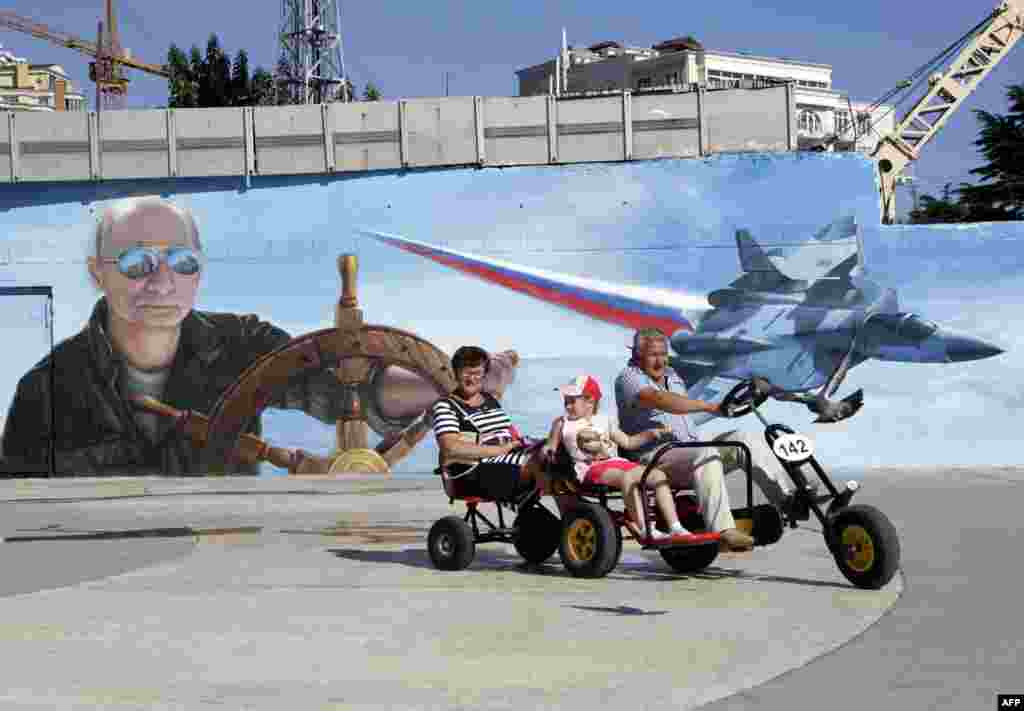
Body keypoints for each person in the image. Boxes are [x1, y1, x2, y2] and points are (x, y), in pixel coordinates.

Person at [0, 197, 347, 476]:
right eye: (137, 263)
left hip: (229, 559)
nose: (163, 283)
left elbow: (339, 392)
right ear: (98, 272)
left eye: (183, 262)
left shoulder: (245, 344)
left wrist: (389, 389)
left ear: (199, 272)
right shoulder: (44, 392)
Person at [615, 328, 797, 552]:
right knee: (705, 452)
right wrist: (710, 407)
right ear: (637, 355)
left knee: (742, 439)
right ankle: (724, 531)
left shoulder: (672, 375)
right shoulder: (629, 377)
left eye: (663, 354)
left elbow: (688, 401)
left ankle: (787, 501)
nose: (660, 360)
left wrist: (732, 403)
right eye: (653, 355)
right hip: (653, 460)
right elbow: (660, 399)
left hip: (687, 451)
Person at [539, 374, 694, 542]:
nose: (567, 406)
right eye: (566, 401)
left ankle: (675, 526)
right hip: (588, 468)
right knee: (628, 478)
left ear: (590, 401)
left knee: (658, 476)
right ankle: (645, 528)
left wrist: (650, 434)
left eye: (572, 401)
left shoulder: (605, 420)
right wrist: (547, 450)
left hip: (615, 463)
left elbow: (628, 442)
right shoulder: (562, 423)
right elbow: (551, 445)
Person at [431, 346, 539, 502]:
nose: (472, 378)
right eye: (467, 372)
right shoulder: (446, 406)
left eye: (477, 373)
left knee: (551, 456)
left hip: (501, 460)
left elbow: (508, 431)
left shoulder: (490, 399)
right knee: (538, 466)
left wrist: (525, 444)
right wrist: (501, 449)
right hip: (469, 472)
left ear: (484, 375)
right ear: (455, 373)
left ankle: (572, 516)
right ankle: (573, 518)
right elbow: (451, 448)